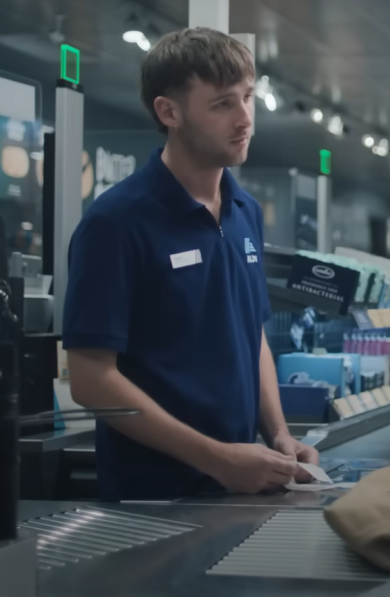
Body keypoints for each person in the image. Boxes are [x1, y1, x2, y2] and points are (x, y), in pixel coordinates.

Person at [63, 28, 318, 502]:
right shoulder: (116, 223)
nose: (245, 119)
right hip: (154, 501)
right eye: (222, 104)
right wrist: (217, 459)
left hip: (243, 487)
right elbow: (91, 379)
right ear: (169, 111)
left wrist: (279, 435)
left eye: (248, 97)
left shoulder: (245, 213)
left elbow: (252, 333)